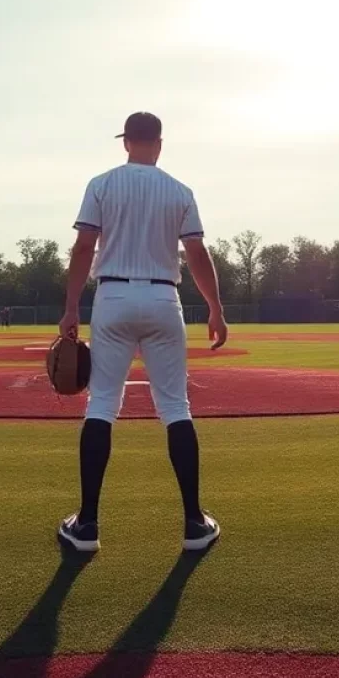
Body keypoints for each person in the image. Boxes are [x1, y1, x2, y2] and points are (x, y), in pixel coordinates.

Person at [57, 112, 227, 554]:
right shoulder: (179, 191)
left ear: (127, 142)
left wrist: (72, 306)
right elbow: (196, 254)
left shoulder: (102, 184)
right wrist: (215, 308)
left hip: (111, 297)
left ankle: (87, 526)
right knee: (175, 407)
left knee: (101, 406)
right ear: (160, 143)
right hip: (163, 299)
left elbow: (82, 246)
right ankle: (194, 523)